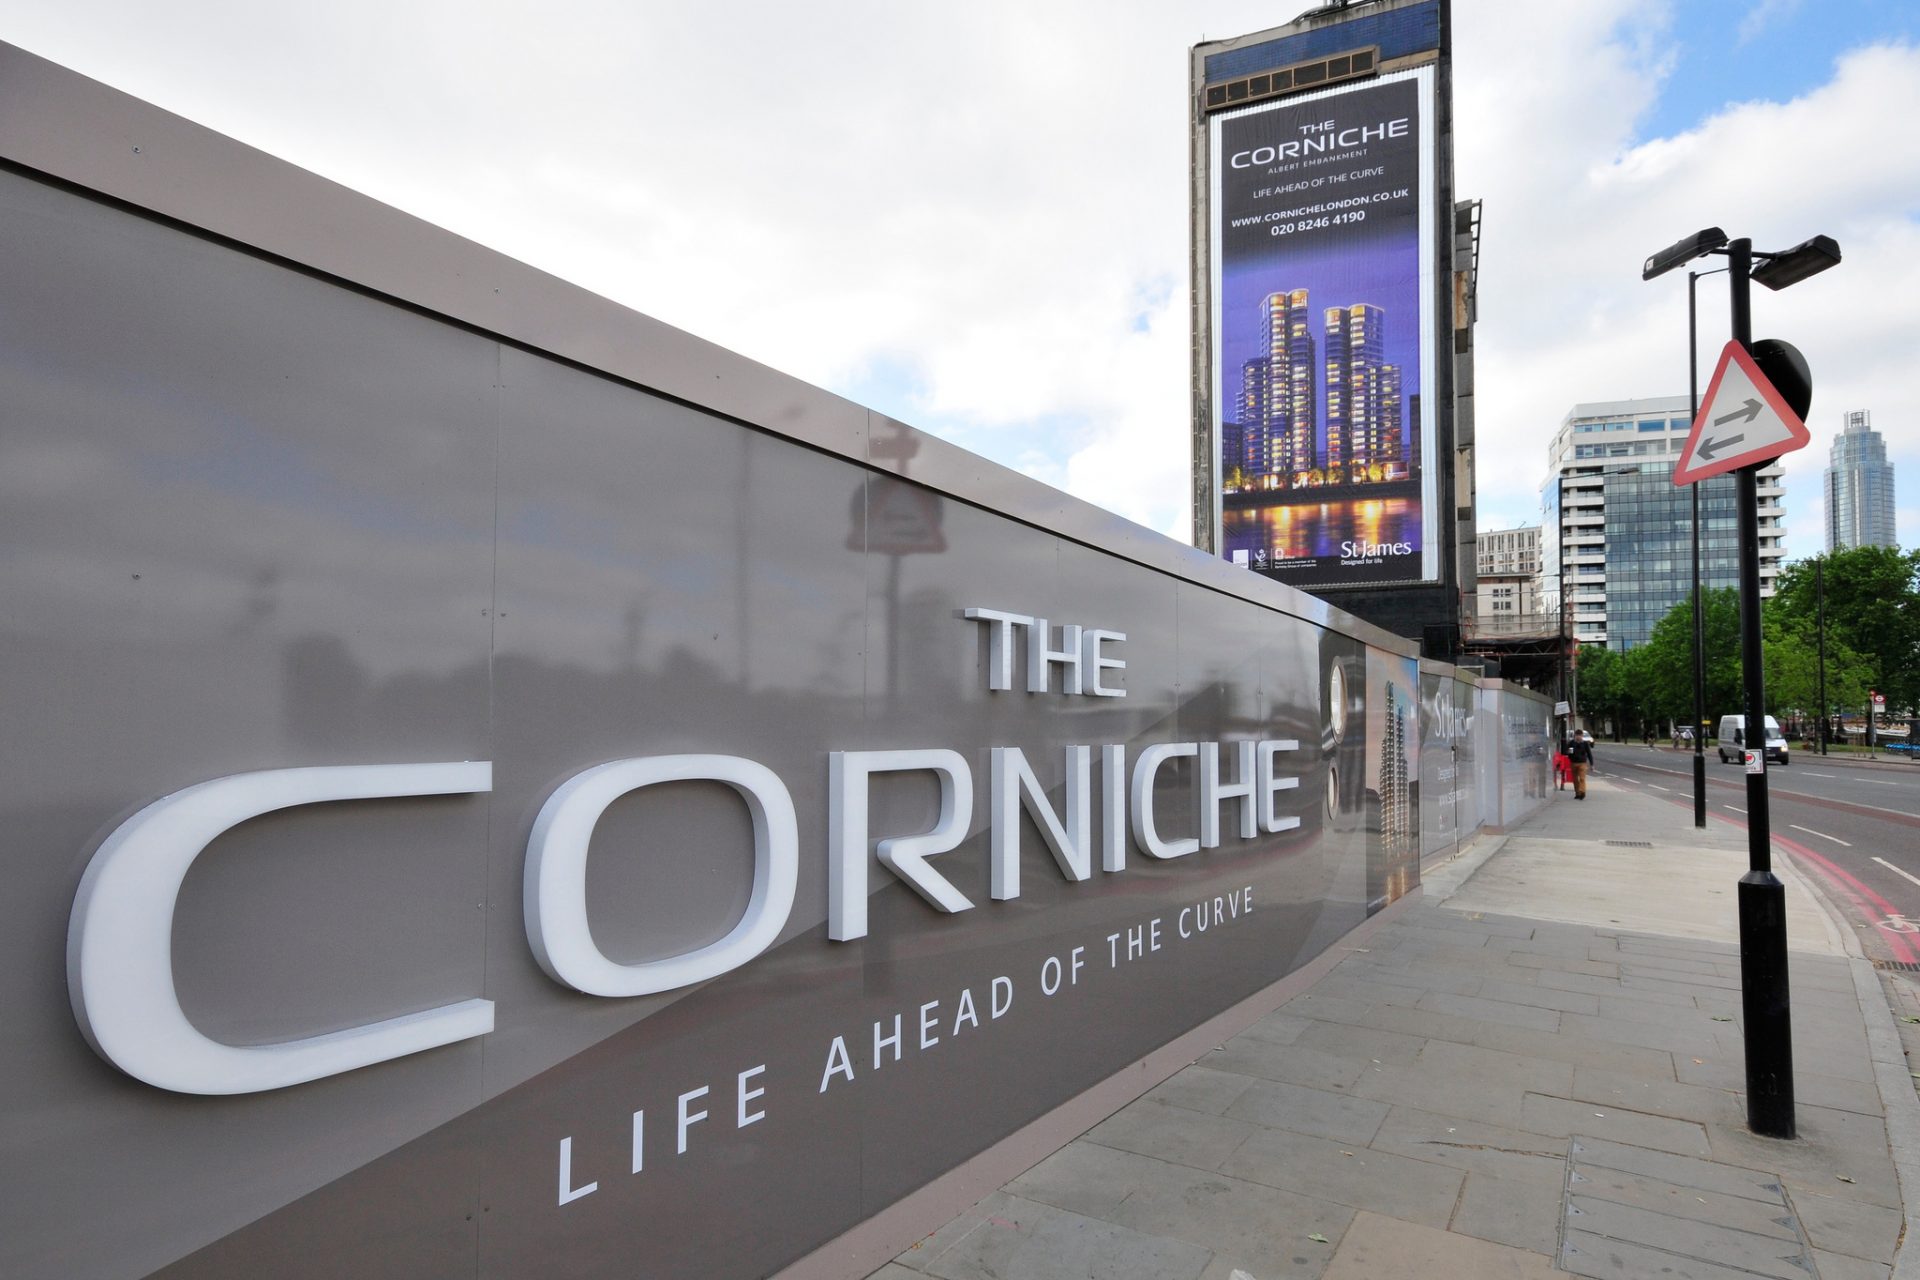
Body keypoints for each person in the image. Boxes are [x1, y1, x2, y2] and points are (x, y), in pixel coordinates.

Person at [1566, 731, 1595, 799]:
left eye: (1580, 735)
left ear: (1582, 736)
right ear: (1575, 736)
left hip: (1582, 763)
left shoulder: (1585, 744)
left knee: (1582, 778)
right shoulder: (1571, 743)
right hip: (1573, 763)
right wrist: (1569, 753)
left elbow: (1589, 754)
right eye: (1577, 735)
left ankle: (1582, 792)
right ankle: (1577, 793)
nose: (1578, 737)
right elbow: (1568, 753)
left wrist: (1592, 764)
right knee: (1575, 779)